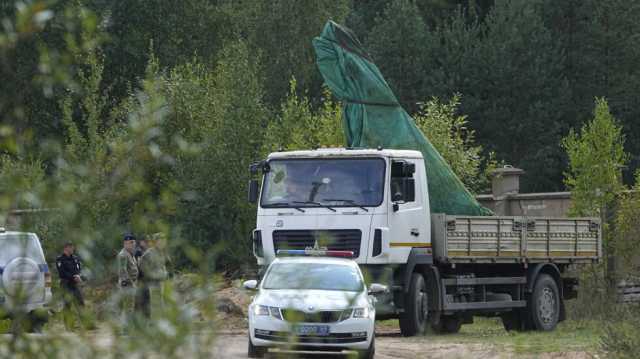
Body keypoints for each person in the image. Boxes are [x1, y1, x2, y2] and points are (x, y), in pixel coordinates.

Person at [138, 233, 168, 320]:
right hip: (150, 284)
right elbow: (144, 269)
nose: (162, 243)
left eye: (164, 241)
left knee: (160, 305)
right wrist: (159, 275)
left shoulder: (162, 253)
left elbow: (162, 266)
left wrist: (165, 273)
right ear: (155, 242)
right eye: (160, 241)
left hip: (160, 283)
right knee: (154, 306)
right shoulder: (149, 253)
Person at [56, 242, 84, 330]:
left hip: (74, 284)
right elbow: (62, 272)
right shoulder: (60, 259)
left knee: (80, 303)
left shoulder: (75, 258)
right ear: (66, 248)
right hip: (65, 284)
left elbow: (78, 268)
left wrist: (78, 275)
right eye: (71, 247)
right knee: (67, 305)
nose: (73, 249)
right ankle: (68, 326)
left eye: (73, 247)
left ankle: (83, 323)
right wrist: (73, 276)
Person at [117, 233, 139, 328]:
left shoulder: (130, 254)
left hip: (132, 283)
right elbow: (123, 271)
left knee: (130, 306)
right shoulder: (123, 255)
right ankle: (126, 329)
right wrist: (131, 283)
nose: (133, 244)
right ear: (125, 243)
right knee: (128, 307)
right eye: (131, 242)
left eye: (133, 242)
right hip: (127, 285)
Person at [134, 237, 150, 318]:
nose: (145, 243)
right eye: (144, 241)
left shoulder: (145, 251)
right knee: (141, 299)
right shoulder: (138, 252)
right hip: (140, 279)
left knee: (145, 299)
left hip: (145, 279)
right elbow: (139, 265)